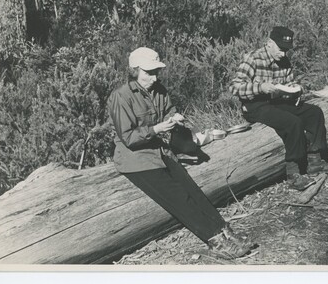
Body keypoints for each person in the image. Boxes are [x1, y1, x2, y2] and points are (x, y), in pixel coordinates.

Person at [107, 47, 255, 259]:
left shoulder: (158, 89)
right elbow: (129, 138)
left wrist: (175, 117)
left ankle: (226, 233)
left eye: (156, 71)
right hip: (136, 159)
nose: (154, 77)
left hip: (161, 151)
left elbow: (169, 111)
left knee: (193, 191)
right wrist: (157, 129)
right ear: (135, 70)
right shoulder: (121, 97)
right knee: (179, 198)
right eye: (149, 72)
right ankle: (215, 241)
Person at [229, 27, 328, 191]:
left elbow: (288, 83)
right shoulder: (253, 59)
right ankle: (293, 172)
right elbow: (234, 87)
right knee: (292, 122)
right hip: (255, 105)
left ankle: (315, 161)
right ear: (269, 44)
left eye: (286, 50)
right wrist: (260, 87)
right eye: (281, 49)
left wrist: (295, 88)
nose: (283, 54)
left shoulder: (284, 61)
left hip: (278, 101)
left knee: (314, 113)